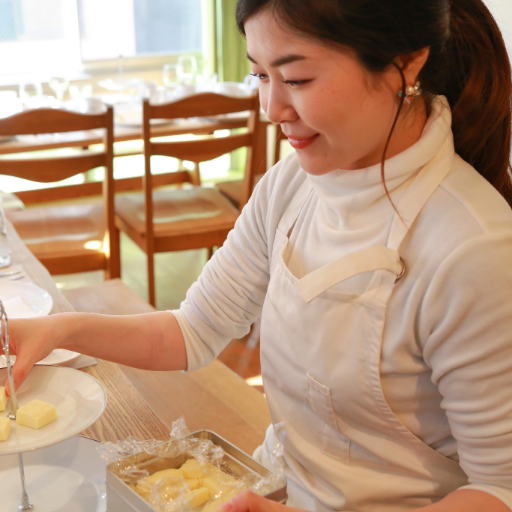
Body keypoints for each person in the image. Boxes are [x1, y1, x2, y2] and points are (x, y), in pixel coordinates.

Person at [4, 0, 512, 510]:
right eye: (259, 76)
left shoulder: (474, 249)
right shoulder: (291, 185)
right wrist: (61, 330)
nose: (272, 109)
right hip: (277, 486)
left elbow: (498, 489)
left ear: (406, 64)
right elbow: (193, 329)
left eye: (296, 79)